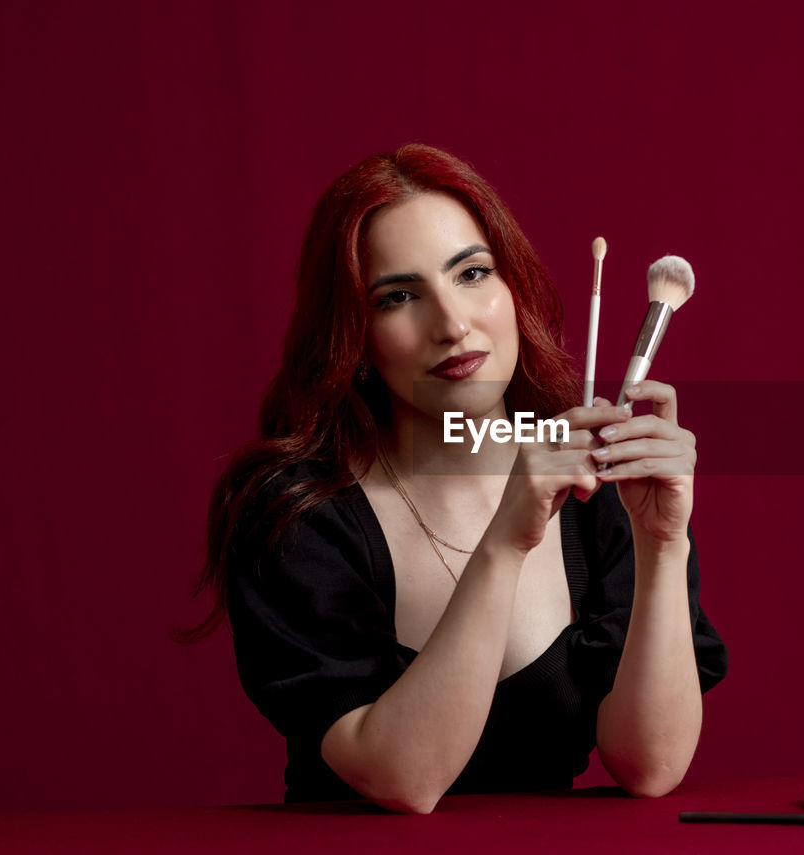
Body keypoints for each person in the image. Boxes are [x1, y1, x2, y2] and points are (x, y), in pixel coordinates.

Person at [184, 144, 727, 813]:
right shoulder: (295, 515)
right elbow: (405, 778)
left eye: (472, 274)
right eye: (399, 296)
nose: (452, 323)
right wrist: (503, 542)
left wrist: (663, 545)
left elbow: (651, 765)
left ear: (514, 288)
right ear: (355, 336)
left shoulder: (595, 488)